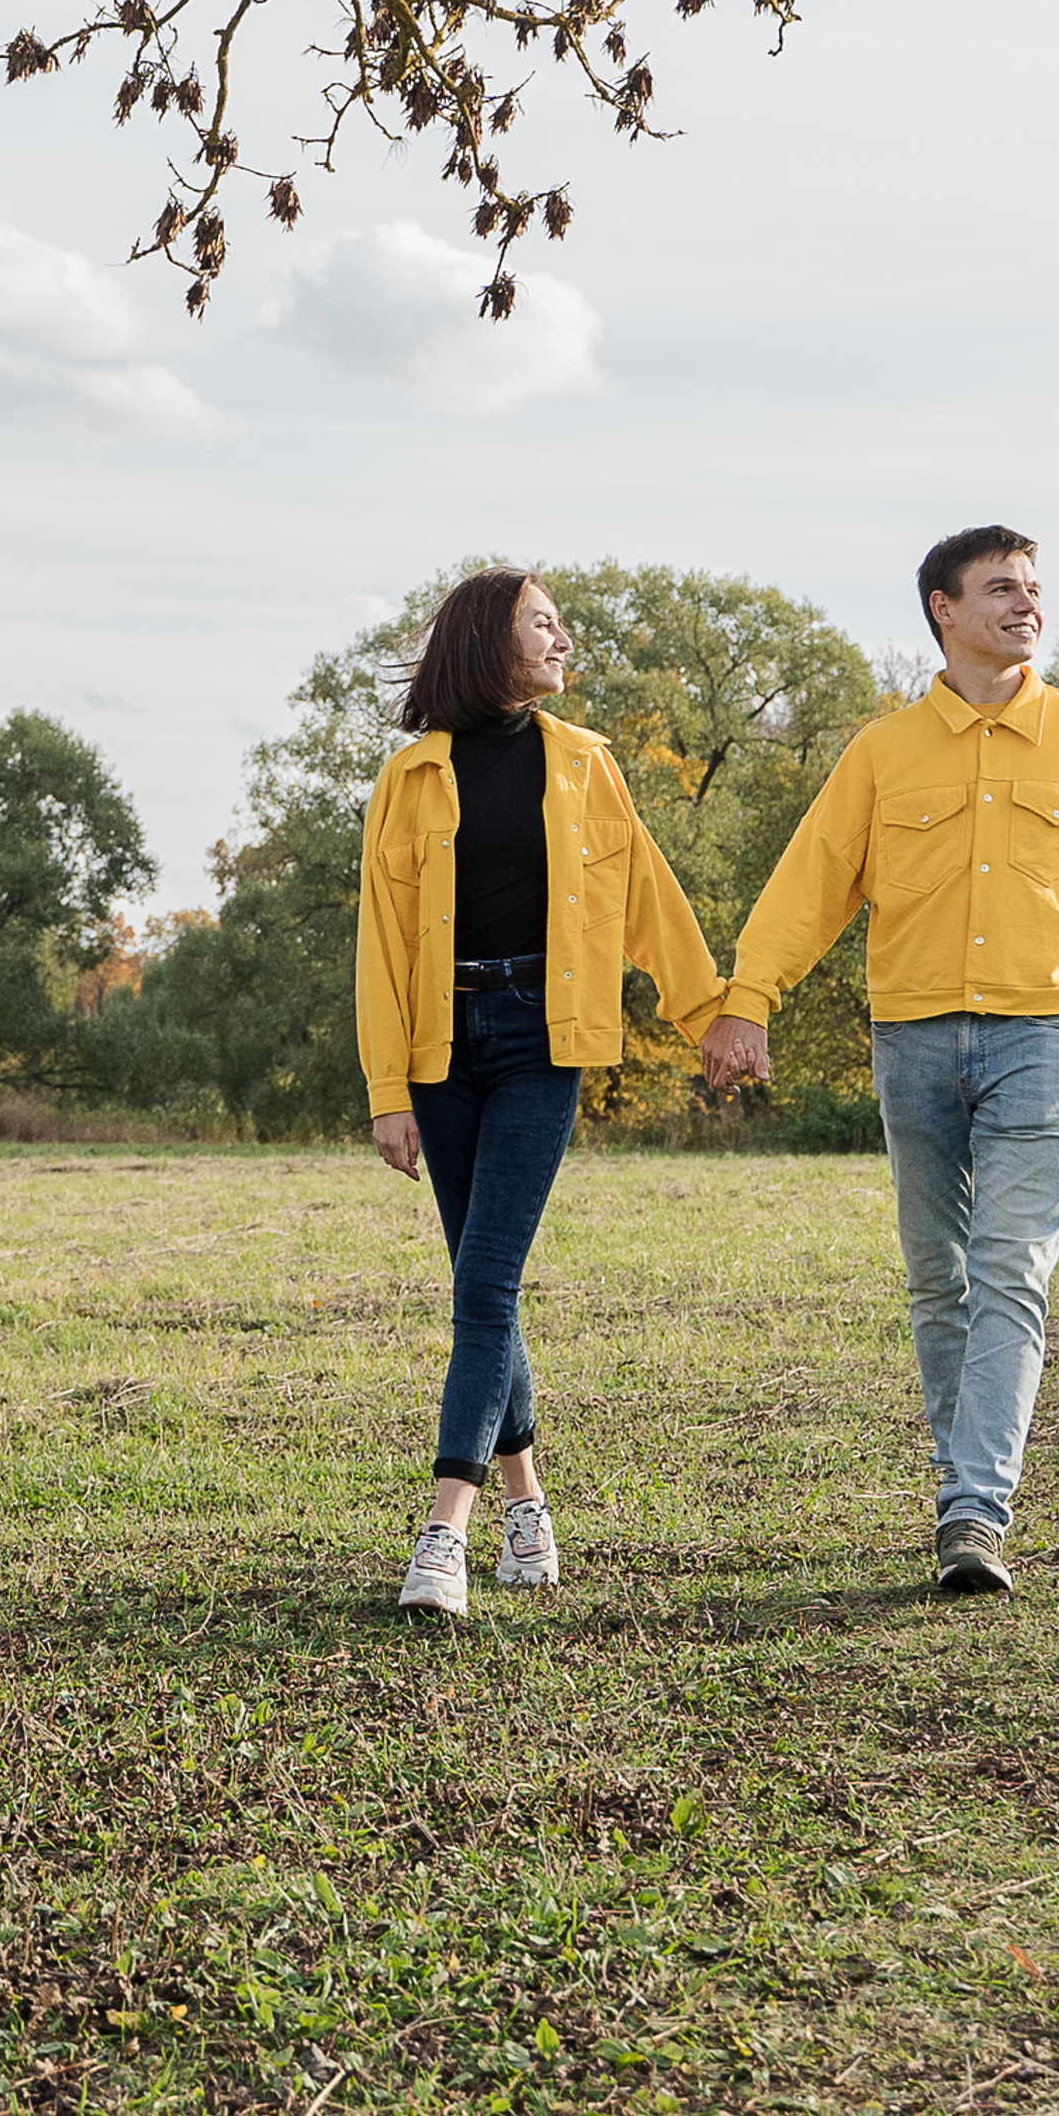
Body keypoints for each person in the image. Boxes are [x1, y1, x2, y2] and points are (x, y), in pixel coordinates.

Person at [701, 526, 1059, 1599]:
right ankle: (965, 1483)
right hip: (912, 1039)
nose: (1026, 604)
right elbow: (811, 881)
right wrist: (748, 1001)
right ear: (944, 609)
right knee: (939, 1279)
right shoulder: (883, 752)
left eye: (1034, 587)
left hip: (1046, 1037)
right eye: (1001, 588)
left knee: (1010, 1269)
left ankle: (973, 1509)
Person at [358, 567, 719, 1619]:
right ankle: (529, 1506)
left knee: (482, 1284)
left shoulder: (586, 764)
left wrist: (710, 1016)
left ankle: (443, 1534)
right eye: (544, 625)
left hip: (540, 1039)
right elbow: (380, 946)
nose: (564, 642)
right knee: (487, 1285)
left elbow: (646, 896)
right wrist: (387, 1089)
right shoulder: (409, 780)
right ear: (489, 641)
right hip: (438, 1048)